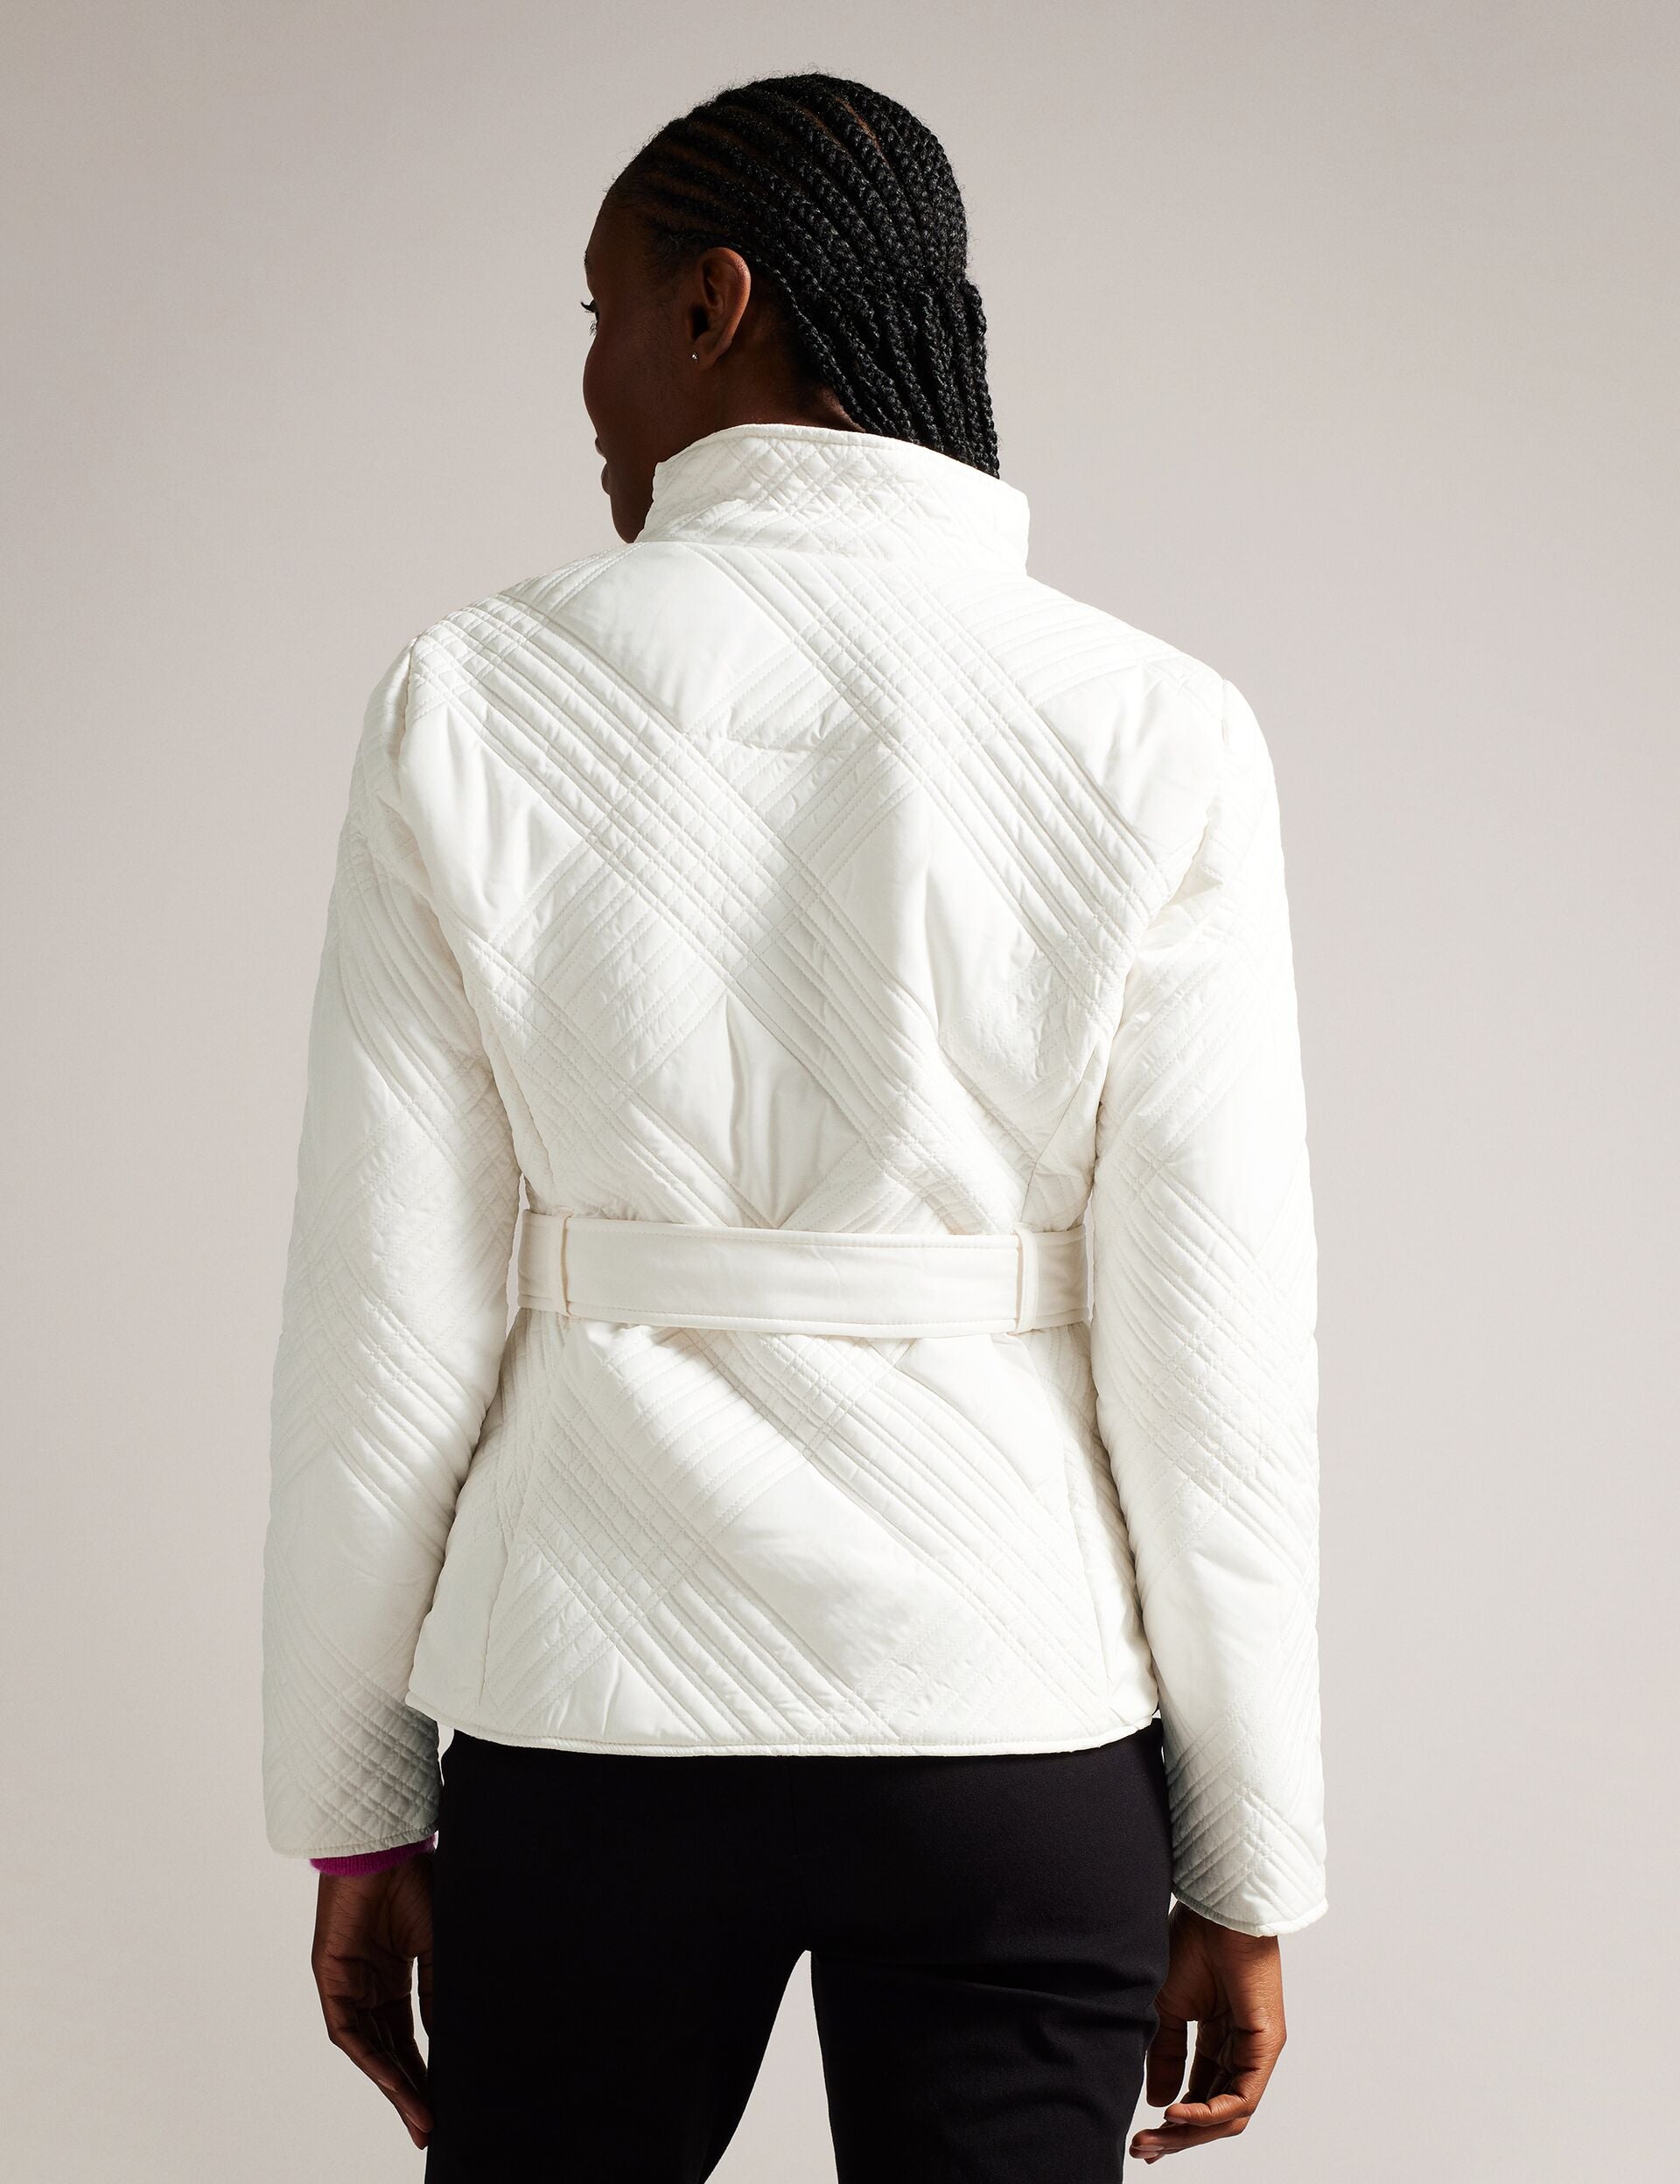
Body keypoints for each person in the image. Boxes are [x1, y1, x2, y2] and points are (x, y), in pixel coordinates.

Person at [262, 70, 1326, 2180]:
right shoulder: (1156, 728)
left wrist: (356, 1811)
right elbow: (1219, 1352)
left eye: (600, 313)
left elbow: (377, 1322)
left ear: (714, 305)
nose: (588, 382)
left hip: (593, 1720)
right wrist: (1250, 1851)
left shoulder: (472, 696)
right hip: (1011, 1723)